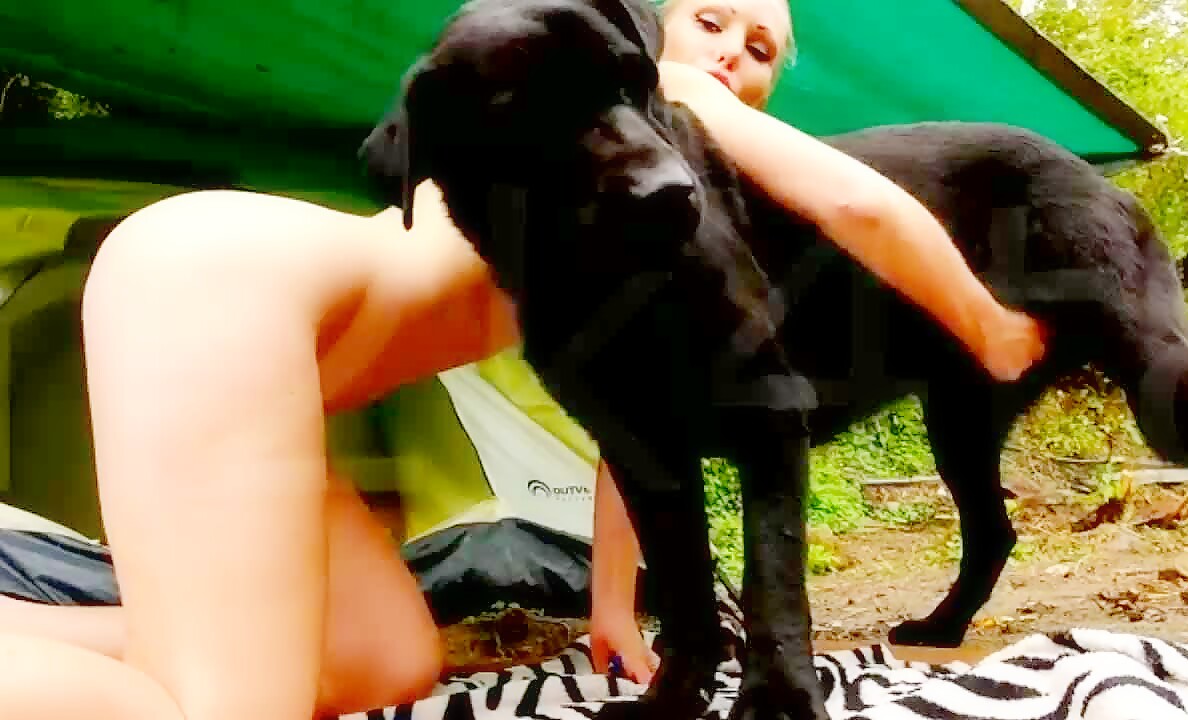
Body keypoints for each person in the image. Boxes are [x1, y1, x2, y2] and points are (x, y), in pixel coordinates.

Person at [0, 0, 1046, 718]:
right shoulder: (658, 94)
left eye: (762, 46)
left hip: (283, 380)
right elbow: (862, 203)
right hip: (223, 293)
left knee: (383, 660)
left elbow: (640, 423)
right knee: (226, 710)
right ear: (646, 28)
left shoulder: (662, 197)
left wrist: (608, 600)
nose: (730, 53)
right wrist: (989, 325)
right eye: (710, 19)